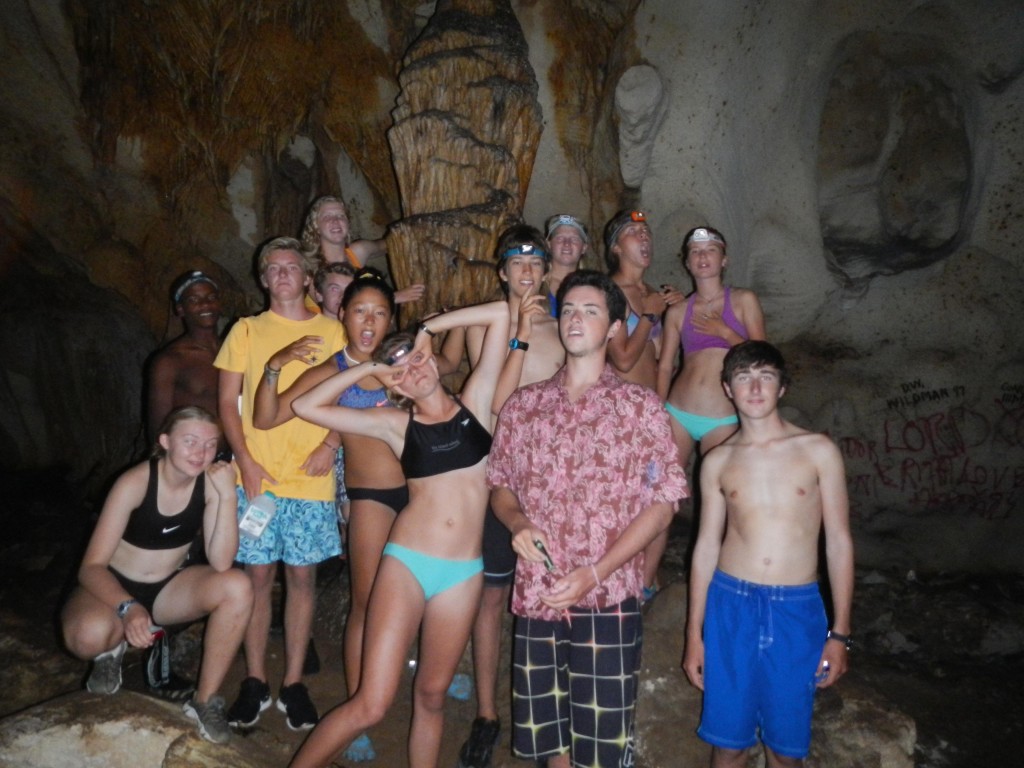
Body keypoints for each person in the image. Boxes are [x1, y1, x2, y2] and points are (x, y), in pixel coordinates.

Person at [286, 300, 510, 768]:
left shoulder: (477, 404)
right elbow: (306, 405)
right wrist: (368, 366)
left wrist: (427, 328)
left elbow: (501, 314)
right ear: (392, 388)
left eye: (418, 361)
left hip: (463, 573)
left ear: (431, 358)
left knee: (431, 695)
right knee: (371, 703)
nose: (413, 374)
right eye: (400, 375)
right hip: (408, 564)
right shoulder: (394, 425)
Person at [488, 270, 689, 768]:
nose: (577, 318)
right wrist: (517, 524)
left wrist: (596, 572)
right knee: (550, 745)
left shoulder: (639, 408)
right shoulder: (524, 406)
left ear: (616, 327)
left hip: (608, 596)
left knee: (599, 748)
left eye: (592, 310)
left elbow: (664, 502)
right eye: (570, 310)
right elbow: (500, 486)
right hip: (539, 596)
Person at [252, 268, 401, 762]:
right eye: (360, 310)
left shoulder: (400, 361)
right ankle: (360, 705)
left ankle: (397, 679)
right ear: (343, 313)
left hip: (421, 497)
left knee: (407, 593)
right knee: (367, 600)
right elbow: (269, 415)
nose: (370, 321)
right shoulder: (335, 368)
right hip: (370, 495)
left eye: (380, 313)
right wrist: (273, 367)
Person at [682, 341, 854, 768]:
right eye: (743, 377)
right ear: (727, 388)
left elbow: (838, 542)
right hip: (730, 603)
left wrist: (840, 633)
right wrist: (693, 633)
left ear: (782, 388)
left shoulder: (818, 450)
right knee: (728, 745)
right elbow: (705, 547)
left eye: (766, 376)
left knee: (785, 749)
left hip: (795, 609)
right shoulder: (718, 460)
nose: (754, 387)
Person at [215, 236, 347, 732]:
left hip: (310, 476)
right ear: (263, 279)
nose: (284, 274)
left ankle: (293, 682)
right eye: (274, 268)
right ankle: (253, 679)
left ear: (307, 277)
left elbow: (353, 391)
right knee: (256, 579)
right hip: (259, 476)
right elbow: (229, 403)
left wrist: (331, 442)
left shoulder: (333, 329)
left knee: (302, 580)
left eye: (293, 266)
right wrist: (244, 461)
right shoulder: (246, 331)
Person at [60, 406, 253, 744]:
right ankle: (110, 650)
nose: (201, 452)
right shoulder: (135, 482)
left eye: (210, 444)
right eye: (190, 441)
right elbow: (91, 567)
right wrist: (127, 606)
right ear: (165, 441)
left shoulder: (210, 483)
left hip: (168, 589)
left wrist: (227, 497)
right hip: (113, 586)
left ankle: (204, 701)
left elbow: (222, 562)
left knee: (237, 586)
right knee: (86, 638)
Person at [456, 225, 566, 768]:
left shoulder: (565, 327)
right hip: (500, 477)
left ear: (546, 270)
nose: (526, 271)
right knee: (493, 596)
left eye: (535, 262)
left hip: (552, 482)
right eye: (516, 263)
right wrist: (518, 330)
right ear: (502, 271)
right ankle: (486, 712)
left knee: (552, 593)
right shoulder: (488, 324)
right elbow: (495, 402)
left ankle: (545, 710)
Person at [604, 209, 685, 601]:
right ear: (616, 247)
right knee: (621, 502)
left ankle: (646, 582)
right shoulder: (607, 294)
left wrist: (673, 314)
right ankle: (614, 579)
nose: (644, 237)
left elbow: (662, 360)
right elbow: (621, 359)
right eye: (634, 232)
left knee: (663, 498)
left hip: (651, 412)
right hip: (617, 415)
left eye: (647, 231)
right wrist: (650, 314)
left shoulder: (654, 292)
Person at [657, 225, 766, 471]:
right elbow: (664, 367)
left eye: (710, 250)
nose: (702, 256)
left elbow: (764, 358)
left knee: (719, 491)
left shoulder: (744, 300)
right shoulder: (677, 311)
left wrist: (725, 332)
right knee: (663, 488)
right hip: (678, 411)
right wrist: (657, 412)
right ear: (687, 262)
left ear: (724, 259)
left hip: (722, 417)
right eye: (695, 251)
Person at [300, 195, 425, 306]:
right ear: (315, 226)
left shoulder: (358, 251)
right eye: (327, 216)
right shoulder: (309, 267)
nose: (335, 221)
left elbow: (394, 243)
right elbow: (336, 307)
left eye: (340, 215)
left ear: (348, 222)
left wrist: (419, 229)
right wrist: (393, 297)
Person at [147, 271, 224, 450]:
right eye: (194, 300)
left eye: (211, 297)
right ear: (180, 309)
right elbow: (158, 429)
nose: (205, 304)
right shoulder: (171, 360)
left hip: (236, 461)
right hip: (191, 462)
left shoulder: (236, 350)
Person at [543, 213, 589, 315]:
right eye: (560, 238)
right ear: (548, 244)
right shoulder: (535, 283)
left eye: (574, 239)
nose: (567, 244)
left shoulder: (592, 286)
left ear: (584, 247)